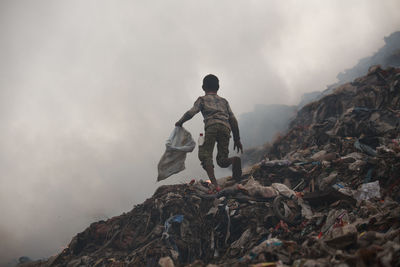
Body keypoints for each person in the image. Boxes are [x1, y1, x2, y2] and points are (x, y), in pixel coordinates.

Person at [175, 74, 243, 191]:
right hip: (225, 128)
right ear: (218, 87)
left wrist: (180, 122)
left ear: (203, 87)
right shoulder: (224, 102)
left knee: (205, 155)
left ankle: (215, 184)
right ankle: (235, 165)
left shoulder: (202, 99)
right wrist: (237, 139)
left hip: (211, 127)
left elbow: (191, 113)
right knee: (222, 160)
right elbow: (233, 120)